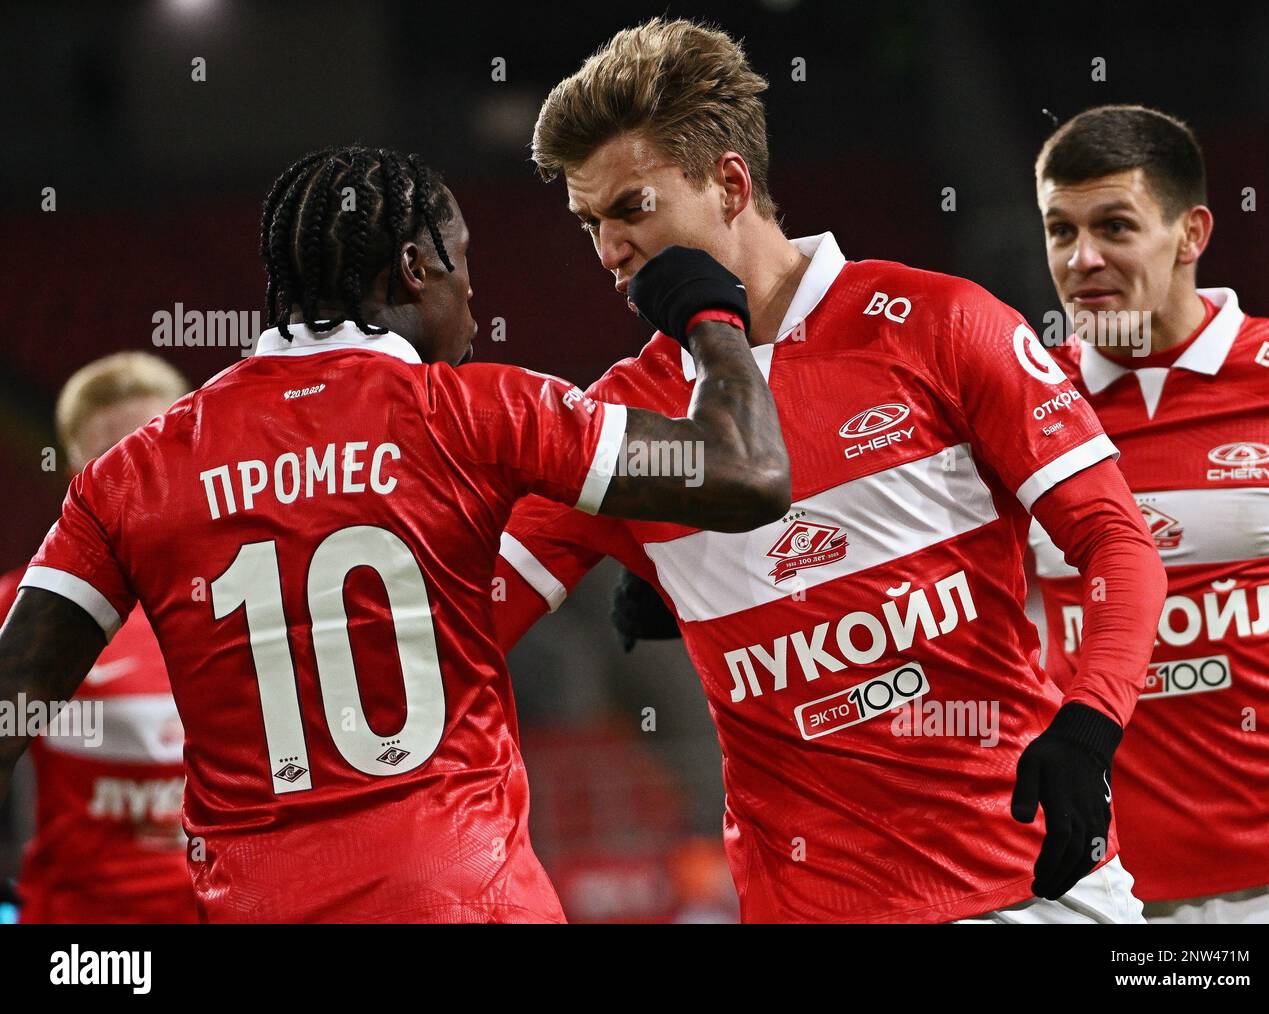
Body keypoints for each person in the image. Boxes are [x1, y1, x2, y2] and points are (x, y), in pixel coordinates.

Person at [0, 144, 790, 923]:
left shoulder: (133, 474)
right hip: (467, 903)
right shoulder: (477, 411)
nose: (475, 298)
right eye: (464, 264)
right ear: (415, 268)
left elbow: (12, 702)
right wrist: (711, 313)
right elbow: (748, 473)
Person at [492, 18, 1167, 923]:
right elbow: (455, 630)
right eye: (590, 223)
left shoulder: (941, 323)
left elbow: (1118, 541)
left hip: (1027, 888)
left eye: (632, 209)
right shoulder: (613, 426)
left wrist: (1089, 727)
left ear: (731, 182)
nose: (608, 250)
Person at [1026, 104, 1269, 923]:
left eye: (1114, 226)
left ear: (1192, 233)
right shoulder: (1019, 403)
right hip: (1098, 887)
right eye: (1059, 230)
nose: (1083, 260)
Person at [0, 352, 196, 923]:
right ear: (73, 471)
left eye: (153, 450)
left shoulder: (259, 592)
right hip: (84, 935)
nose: (136, 479)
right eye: (112, 460)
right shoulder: (24, 609)